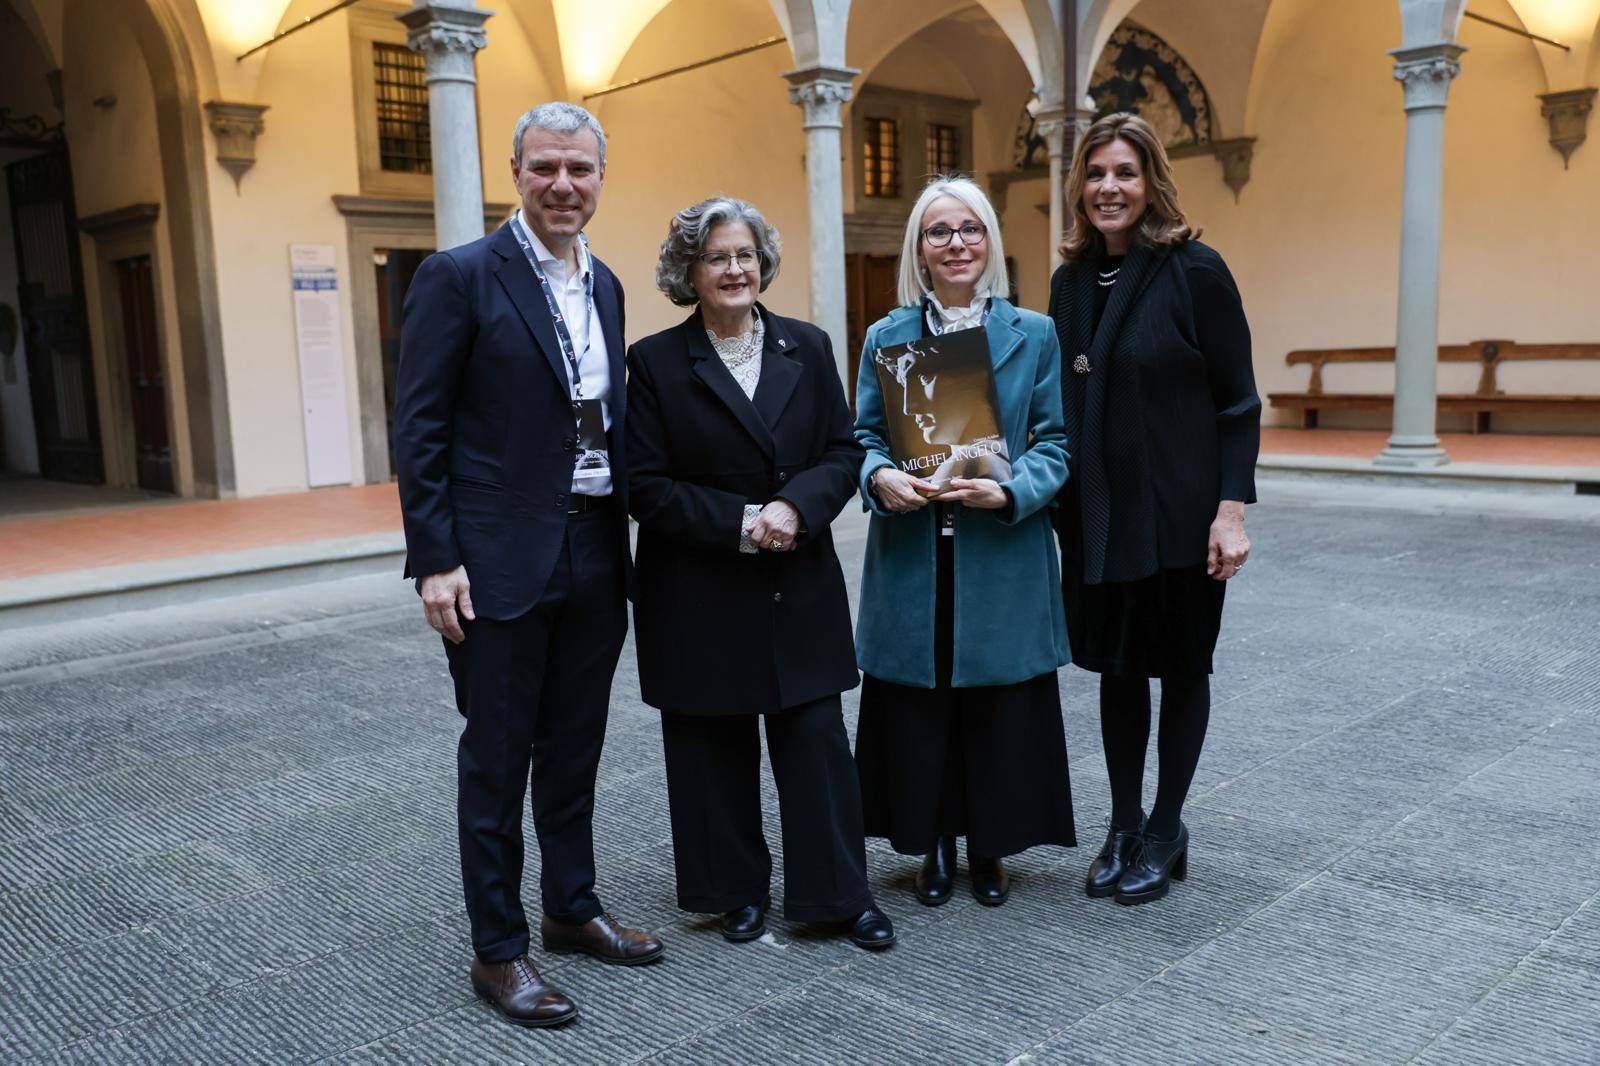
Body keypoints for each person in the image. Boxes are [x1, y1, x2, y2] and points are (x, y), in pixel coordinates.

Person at [392, 102, 662, 1030]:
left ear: (600, 178)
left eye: (579, 169)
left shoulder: (608, 284)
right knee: (498, 760)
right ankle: (499, 949)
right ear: (515, 171)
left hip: (594, 547)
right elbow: (420, 427)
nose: (562, 185)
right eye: (545, 166)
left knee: (576, 748)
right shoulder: (460, 276)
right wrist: (436, 560)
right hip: (498, 560)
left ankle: (571, 908)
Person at [626, 197, 894, 951]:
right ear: (689, 271)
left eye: (744, 254)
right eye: (716, 257)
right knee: (711, 744)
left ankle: (838, 894)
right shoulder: (654, 362)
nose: (734, 269)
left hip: (794, 576)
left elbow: (843, 451)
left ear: (763, 262)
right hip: (698, 584)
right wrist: (743, 522)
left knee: (815, 741)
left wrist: (795, 508)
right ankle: (732, 890)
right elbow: (643, 485)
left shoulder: (806, 345)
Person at [1047, 112, 1260, 906]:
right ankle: (1124, 825)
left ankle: (1167, 829)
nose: (1109, 187)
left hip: (1180, 515)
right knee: (1118, 670)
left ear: (1152, 183)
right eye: (1096, 173)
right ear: (1080, 187)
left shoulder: (1196, 271)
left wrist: (1230, 512)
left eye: (1125, 173)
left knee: (1181, 666)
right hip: (1100, 518)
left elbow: (1238, 403)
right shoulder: (1070, 283)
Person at [853, 176, 1076, 908]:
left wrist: (1010, 492)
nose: (956, 244)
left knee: (996, 704)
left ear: (990, 241)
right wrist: (879, 474)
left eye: (970, 229)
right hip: (917, 547)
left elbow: (1057, 441)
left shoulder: (1033, 334)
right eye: (939, 231)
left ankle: (989, 846)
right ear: (919, 247)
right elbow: (864, 437)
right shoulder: (887, 335)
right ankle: (935, 844)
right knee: (925, 702)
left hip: (997, 544)